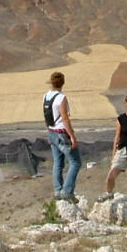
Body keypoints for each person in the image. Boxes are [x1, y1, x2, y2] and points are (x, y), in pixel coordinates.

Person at [43, 71, 81, 202]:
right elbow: (65, 117)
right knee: (75, 162)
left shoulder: (46, 96)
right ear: (62, 83)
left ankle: (58, 190)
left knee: (58, 163)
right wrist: (72, 136)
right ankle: (67, 191)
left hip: (51, 132)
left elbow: (46, 115)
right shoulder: (61, 98)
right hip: (62, 133)